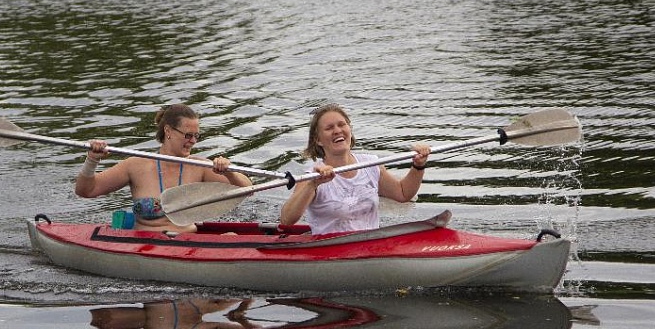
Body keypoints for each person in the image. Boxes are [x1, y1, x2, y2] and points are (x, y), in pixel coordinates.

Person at [75, 104, 252, 233]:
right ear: (168, 131)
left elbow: (248, 190)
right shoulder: (135, 165)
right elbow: (86, 191)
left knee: (230, 236)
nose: (193, 141)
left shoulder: (201, 166)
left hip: (189, 243)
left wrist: (229, 172)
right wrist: (92, 160)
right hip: (146, 245)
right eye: (188, 135)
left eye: (196, 136)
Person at [280, 104, 430, 235]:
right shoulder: (312, 176)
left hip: (369, 246)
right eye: (329, 128)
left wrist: (418, 165)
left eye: (341, 125)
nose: (337, 130)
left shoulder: (371, 164)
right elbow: (286, 220)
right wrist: (313, 184)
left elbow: (403, 193)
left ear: (350, 130)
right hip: (330, 249)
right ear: (318, 140)